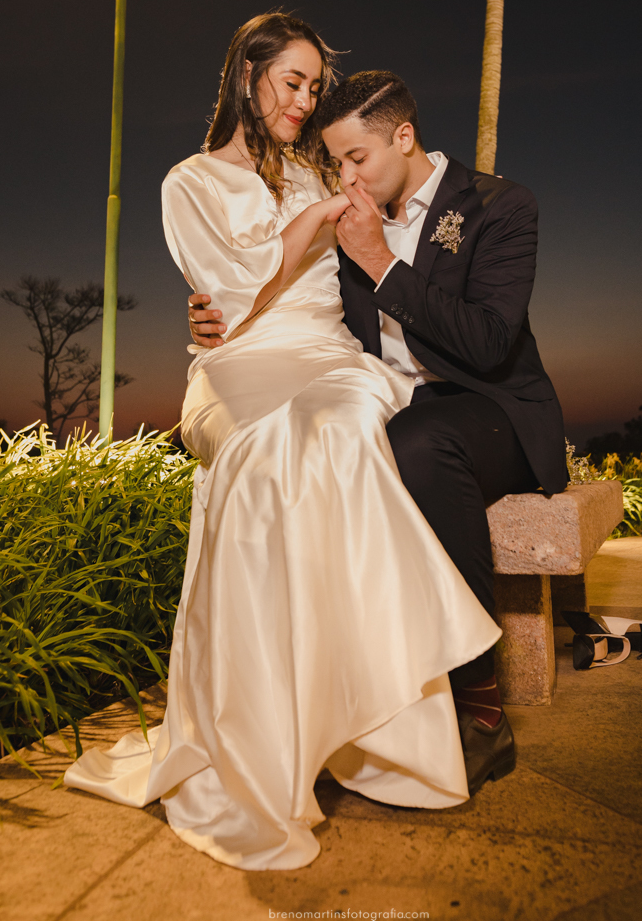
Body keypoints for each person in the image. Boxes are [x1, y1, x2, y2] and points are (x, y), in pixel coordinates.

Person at [65, 14, 502, 872]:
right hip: (235, 369)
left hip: (329, 358)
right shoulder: (186, 181)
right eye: (291, 81)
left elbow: (398, 197)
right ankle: (261, 740)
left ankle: (375, 730)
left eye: (312, 85)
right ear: (246, 74)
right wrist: (301, 232)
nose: (304, 100)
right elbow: (229, 300)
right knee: (265, 456)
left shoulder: (320, 168)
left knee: (337, 431)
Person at [189, 69, 567, 782]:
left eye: (357, 157)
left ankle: (480, 703)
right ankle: (333, 694)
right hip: (381, 396)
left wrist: (377, 259)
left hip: (489, 409)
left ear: (404, 136)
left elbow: (489, 342)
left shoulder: (500, 205)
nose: (345, 175)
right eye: (334, 161)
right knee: (303, 446)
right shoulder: (343, 221)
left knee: (418, 445)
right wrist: (214, 317)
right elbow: (277, 288)